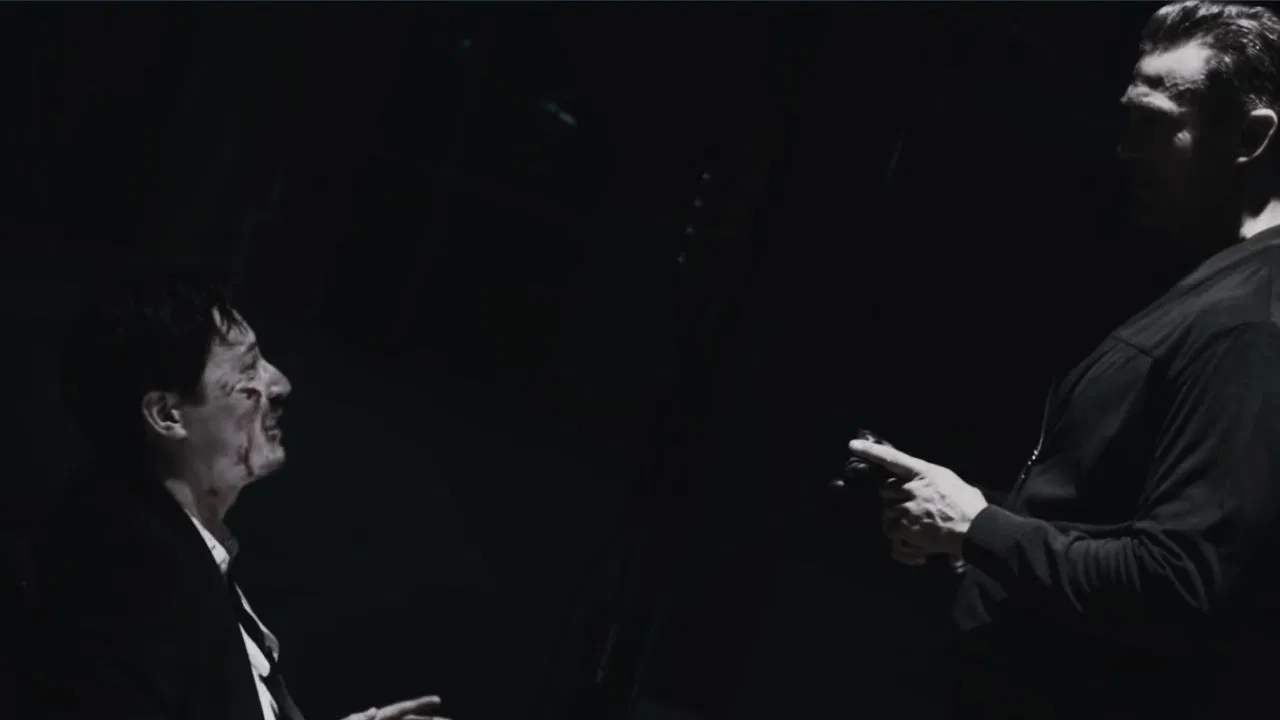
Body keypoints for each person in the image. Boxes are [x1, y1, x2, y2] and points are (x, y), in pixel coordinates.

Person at [847, 2, 1280, 718]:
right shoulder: (1221, 287)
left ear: (1251, 137)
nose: (1125, 150)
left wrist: (979, 527)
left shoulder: (1252, 322)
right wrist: (975, 526)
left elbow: (1179, 584)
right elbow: (1116, 527)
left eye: (1151, 124)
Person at [31, 261, 449, 720]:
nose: (280, 384)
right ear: (167, 415)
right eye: (249, 368)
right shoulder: (125, 572)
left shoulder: (171, 555)